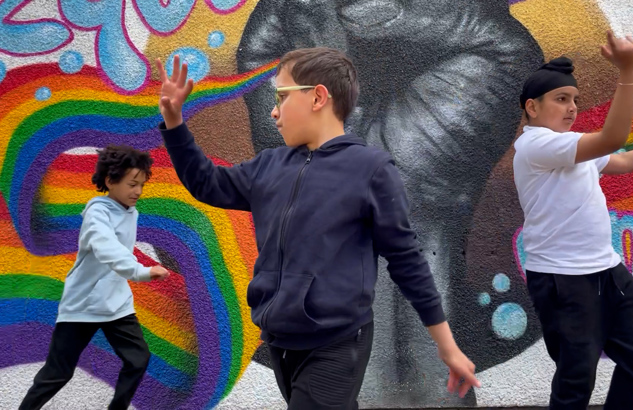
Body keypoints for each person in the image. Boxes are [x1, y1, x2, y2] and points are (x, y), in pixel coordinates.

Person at [155, 47, 480, 409]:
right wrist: (174, 124)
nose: (273, 110)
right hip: (280, 336)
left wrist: (446, 346)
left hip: (337, 339)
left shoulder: (370, 169)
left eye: (281, 96)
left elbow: (408, 261)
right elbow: (207, 183)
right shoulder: (269, 165)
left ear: (318, 97)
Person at [513, 32, 633, 410]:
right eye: (560, 99)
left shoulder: (570, 147)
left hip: (607, 271)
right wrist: (630, 71)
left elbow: (619, 159)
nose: (571, 108)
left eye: (574, 100)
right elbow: (612, 137)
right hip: (562, 280)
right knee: (576, 381)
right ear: (532, 108)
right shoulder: (536, 145)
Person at [19, 145, 170, 410]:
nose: (138, 191)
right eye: (132, 184)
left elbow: (120, 254)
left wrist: (133, 269)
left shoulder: (130, 212)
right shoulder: (96, 213)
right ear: (111, 181)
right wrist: (140, 271)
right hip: (82, 306)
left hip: (116, 305)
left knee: (138, 359)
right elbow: (106, 247)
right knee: (58, 373)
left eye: (142, 185)